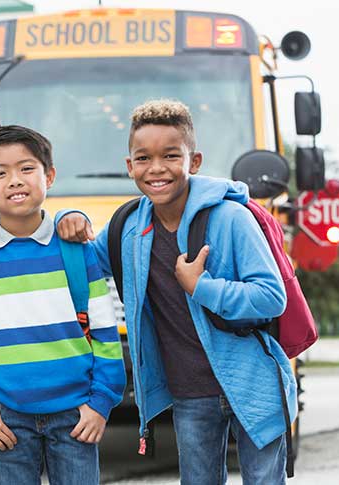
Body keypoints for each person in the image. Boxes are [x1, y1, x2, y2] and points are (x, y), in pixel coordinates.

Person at [92, 100, 295, 484]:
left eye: (170, 156)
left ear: (194, 160)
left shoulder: (230, 217)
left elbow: (271, 297)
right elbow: (83, 261)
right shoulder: (127, 228)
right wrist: (74, 219)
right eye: (143, 158)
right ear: (130, 165)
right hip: (189, 394)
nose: (156, 168)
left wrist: (201, 287)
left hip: (252, 384)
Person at [0, 126, 125, 485]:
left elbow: (105, 334)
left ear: (49, 176)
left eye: (27, 169)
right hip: (5, 418)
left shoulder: (76, 249)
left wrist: (100, 403)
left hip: (76, 417)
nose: (15, 181)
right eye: (0, 173)